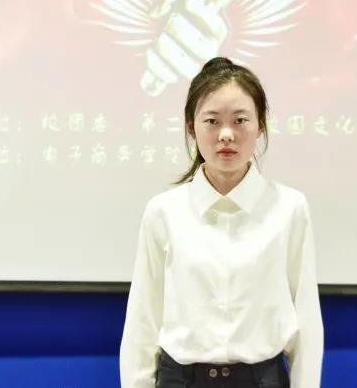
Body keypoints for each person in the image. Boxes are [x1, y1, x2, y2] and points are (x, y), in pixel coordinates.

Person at [120, 57, 324, 387]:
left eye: (240, 120)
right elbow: (143, 321)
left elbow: (307, 321)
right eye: (212, 121)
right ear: (191, 126)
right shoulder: (164, 211)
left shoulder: (290, 208)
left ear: (260, 125)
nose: (226, 134)